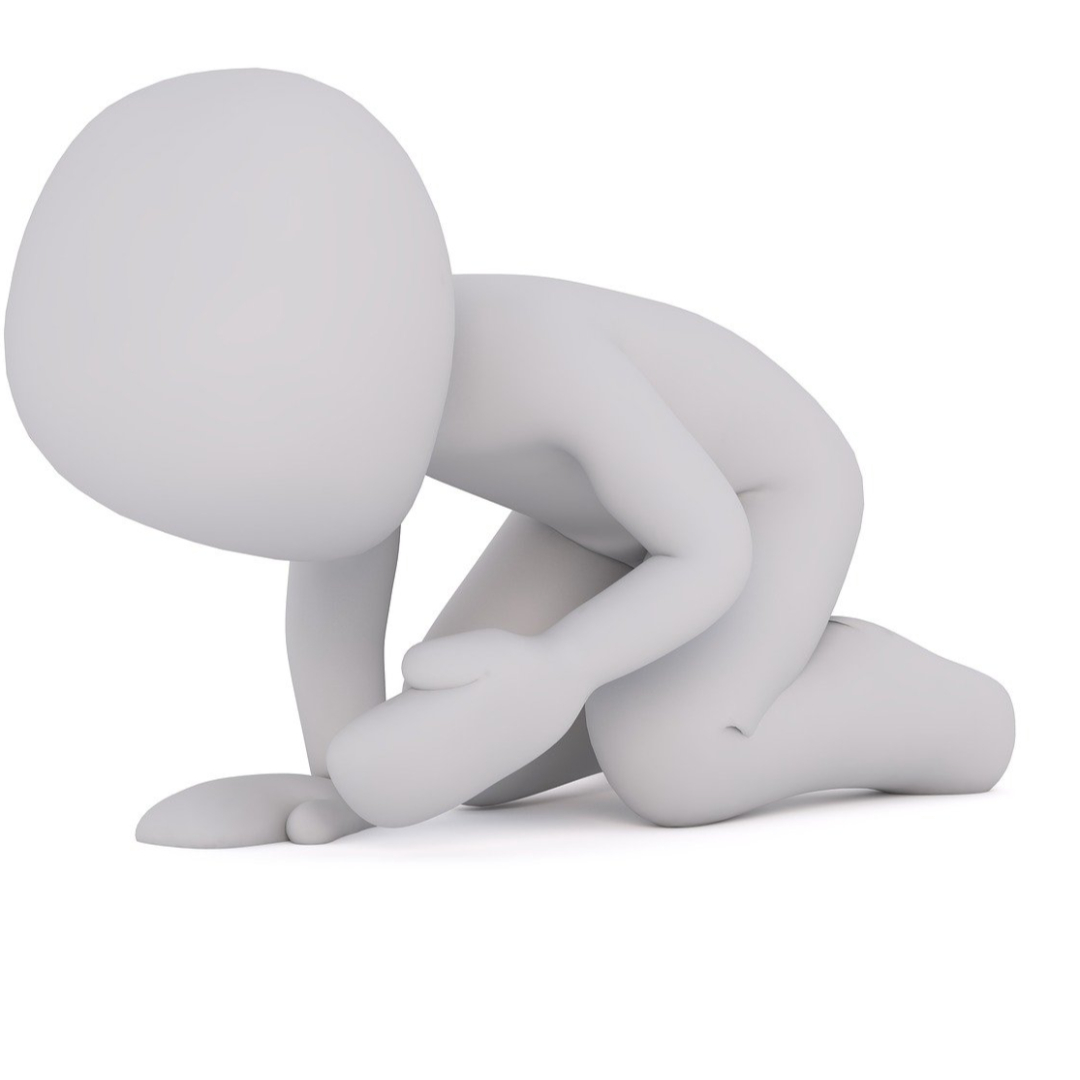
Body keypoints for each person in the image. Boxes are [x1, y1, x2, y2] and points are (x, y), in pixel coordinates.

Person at [5, 69, 1014, 848]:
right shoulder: (352, 420)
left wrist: (564, 668)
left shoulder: (537, 359)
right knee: (472, 762)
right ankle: (668, 685)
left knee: (672, 763)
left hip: (760, 503)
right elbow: (340, 559)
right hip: (598, 529)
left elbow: (710, 550)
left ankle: (925, 702)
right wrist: (346, 778)